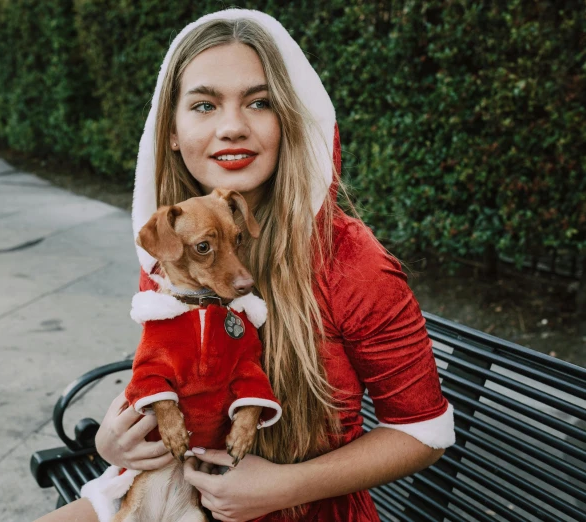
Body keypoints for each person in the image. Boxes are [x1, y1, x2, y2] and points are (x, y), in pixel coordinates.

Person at [35, 8, 454, 522]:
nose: (232, 127)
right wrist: (113, 438)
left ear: (289, 119)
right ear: (170, 131)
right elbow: (172, 366)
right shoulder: (176, 248)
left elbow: (423, 434)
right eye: (205, 105)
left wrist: (284, 487)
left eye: (259, 102)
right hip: (175, 496)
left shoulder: (350, 261)